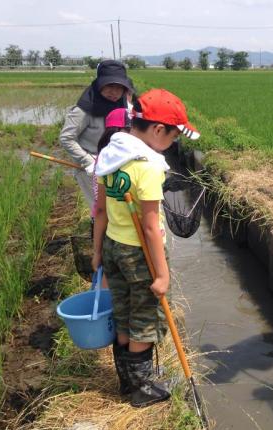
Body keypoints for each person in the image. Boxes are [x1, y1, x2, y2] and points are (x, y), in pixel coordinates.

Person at [92, 89, 200, 407]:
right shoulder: (148, 166)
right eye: (174, 134)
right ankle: (141, 389)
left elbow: (99, 211)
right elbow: (151, 226)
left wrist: (97, 252)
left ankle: (127, 382)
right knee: (144, 319)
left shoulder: (110, 155)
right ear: (156, 130)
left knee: (123, 313)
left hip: (113, 245)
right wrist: (163, 275)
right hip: (140, 255)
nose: (175, 142)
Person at [60, 60, 134, 211]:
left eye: (120, 88)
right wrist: (87, 161)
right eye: (110, 86)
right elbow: (66, 138)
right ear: (100, 84)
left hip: (115, 165)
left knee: (116, 210)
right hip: (91, 168)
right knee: (99, 209)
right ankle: (97, 234)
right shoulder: (84, 110)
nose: (115, 92)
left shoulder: (124, 105)